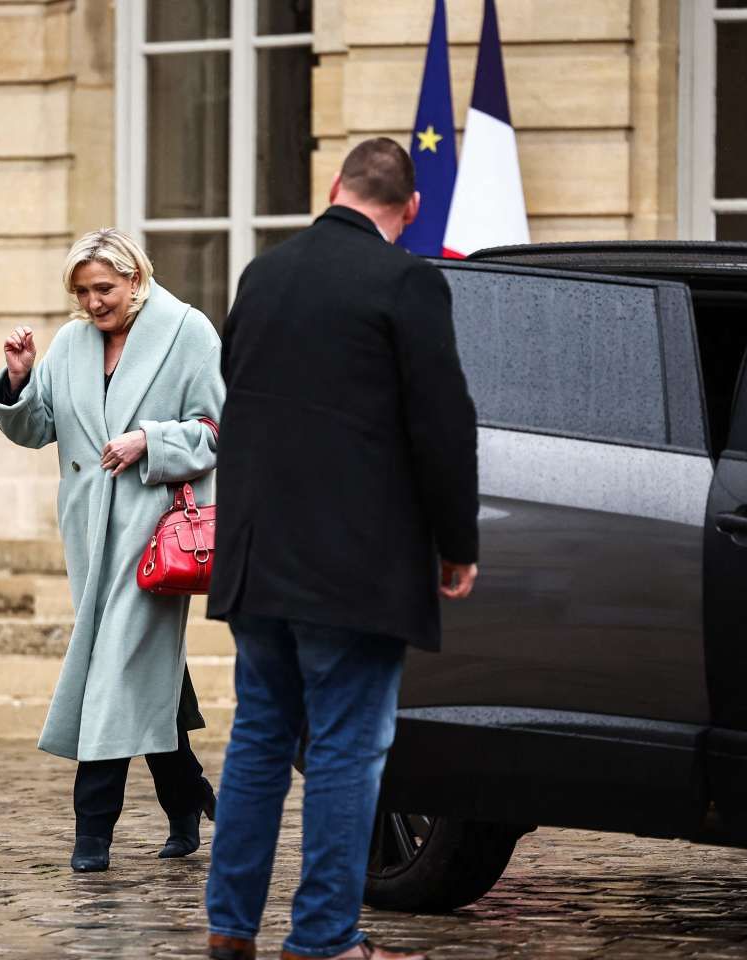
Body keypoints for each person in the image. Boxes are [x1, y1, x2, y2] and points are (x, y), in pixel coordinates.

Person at [203, 138, 480, 960]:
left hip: (257, 553)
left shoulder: (264, 274)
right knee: (345, 750)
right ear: (412, 210)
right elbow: (442, 424)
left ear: (334, 187)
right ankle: (323, 939)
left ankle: (230, 927)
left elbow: (241, 394)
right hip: (353, 566)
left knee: (257, 736)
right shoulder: (408, 282)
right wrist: (456, 542)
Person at [0, 228, 225, 873]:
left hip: (152, 538)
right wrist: (17, 381)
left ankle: (91, 832)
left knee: (108, 674)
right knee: (138, 675)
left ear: (135, 279)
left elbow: (217, 429)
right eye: (83, 292)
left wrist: (149, 439)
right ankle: (188, 798)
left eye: (105, 289)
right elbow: (39, 428)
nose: (94, 303)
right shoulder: (69, 344)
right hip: (88, 536)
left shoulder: (189, 332)